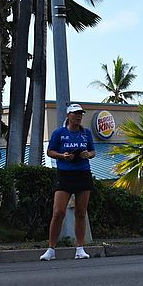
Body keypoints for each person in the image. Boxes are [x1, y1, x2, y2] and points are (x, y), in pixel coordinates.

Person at [40, 103, 96, 261]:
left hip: (83, 173)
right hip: (64, 174)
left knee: (80, 212)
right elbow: (50, 151)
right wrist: (62, 156)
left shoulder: (86, 133)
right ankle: (51, 249)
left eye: (80, 114)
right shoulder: (59, 133)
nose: (78, 116)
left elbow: (92, 151)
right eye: (75, 113)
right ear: (68, 115)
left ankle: (80, 248)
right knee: (58, 212)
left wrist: (87, 154)